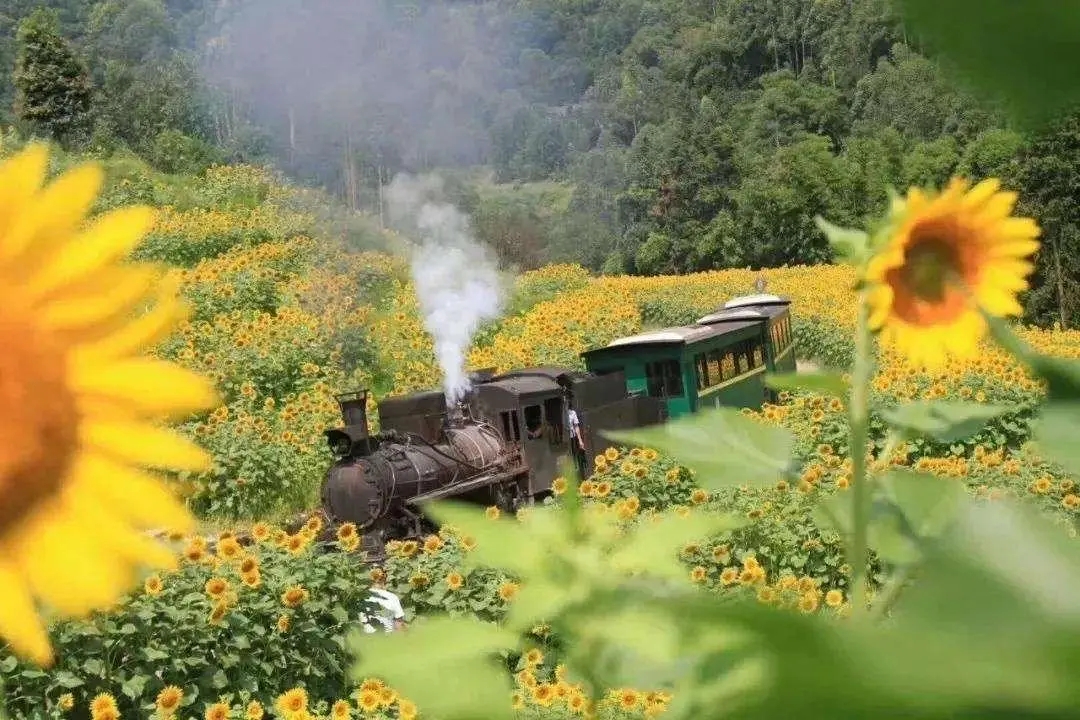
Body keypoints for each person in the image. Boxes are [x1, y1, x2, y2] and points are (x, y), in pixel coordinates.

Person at [566, 397, 587, 477]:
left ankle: (578, 472)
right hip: (566, 438)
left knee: (575, 454)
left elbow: (576, 426)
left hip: (573, 437)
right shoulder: (562, 414)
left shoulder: (572, 413)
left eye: (567, 403)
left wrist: (580, 440)